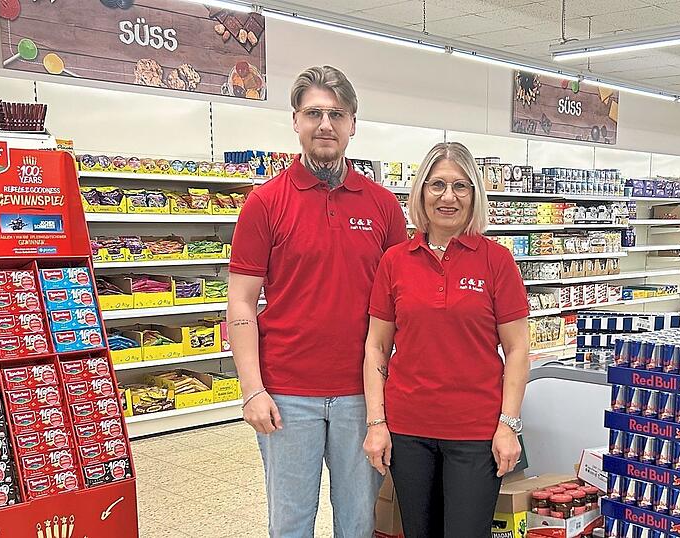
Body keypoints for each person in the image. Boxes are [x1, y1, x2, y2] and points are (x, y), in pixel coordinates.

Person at [227, 65, 408, 538]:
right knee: (289, 523)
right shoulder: (264, 203)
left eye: (336, 114)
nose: (325, 124)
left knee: (357, 522)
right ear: (295, 121)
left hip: (362, 397)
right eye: (314, 113)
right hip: (287, 393)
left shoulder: (383, 205)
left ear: (352, 124)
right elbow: (242, 303)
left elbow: (399, 305)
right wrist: (252, 389)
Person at [362, 142, 531, 537]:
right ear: (421, 192)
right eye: (437, 185)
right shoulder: (395, 261)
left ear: (475, 195)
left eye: (461, 186)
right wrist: (376, 422)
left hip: (476, 430)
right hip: (409, 430)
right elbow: (376, 346)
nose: (448, 197)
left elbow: (518, 348)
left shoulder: (497, 260)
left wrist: (508, 425)